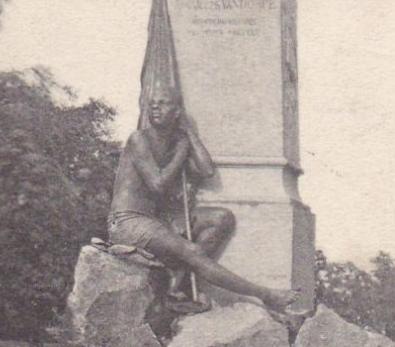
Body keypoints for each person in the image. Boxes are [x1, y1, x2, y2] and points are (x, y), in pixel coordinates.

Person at [107, 86, 299, 313]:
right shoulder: (139, 139)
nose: (155, 107)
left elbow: (206, 170)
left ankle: (176, 283)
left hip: (157, 220)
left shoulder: (176, 140)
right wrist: (181, 151)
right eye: (152, 103)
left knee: (222, 218)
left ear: (178, 112)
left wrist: (189, 136)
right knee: (193, 252)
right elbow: (157, 184)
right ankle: (267, 295)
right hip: (128, 222)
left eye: (163, 103)